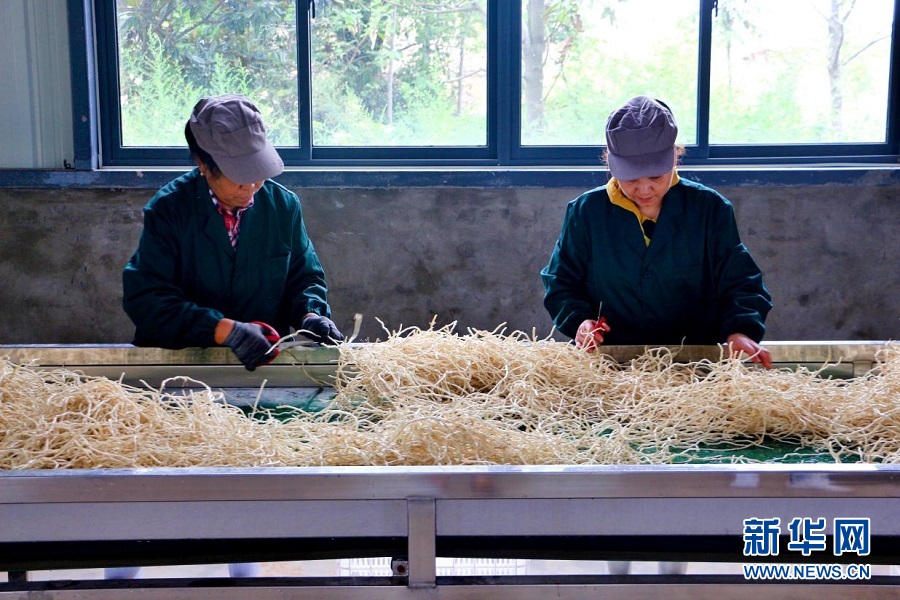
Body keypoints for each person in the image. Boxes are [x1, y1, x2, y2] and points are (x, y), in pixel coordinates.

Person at [541, 95, 773, 368]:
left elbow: (741, 281)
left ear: (675, 157)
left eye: (655, 177)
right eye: (630, 178)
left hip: (693, 365)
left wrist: (739, 329)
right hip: (610, 365)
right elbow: (561, 281)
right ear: (610, 163)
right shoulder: (586, 212)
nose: (644, 189)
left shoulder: (709, 209)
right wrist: (580, 321)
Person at [123, 94, 344, 371]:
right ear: (203, 165)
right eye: (239, 175)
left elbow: (303, 277)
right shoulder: (169, 210)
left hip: (262, 367)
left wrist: (311, 314)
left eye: (258, 171)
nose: (251, 185)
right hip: (183, 369)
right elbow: (146, 301)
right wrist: (224, 330)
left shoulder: (283, 207)